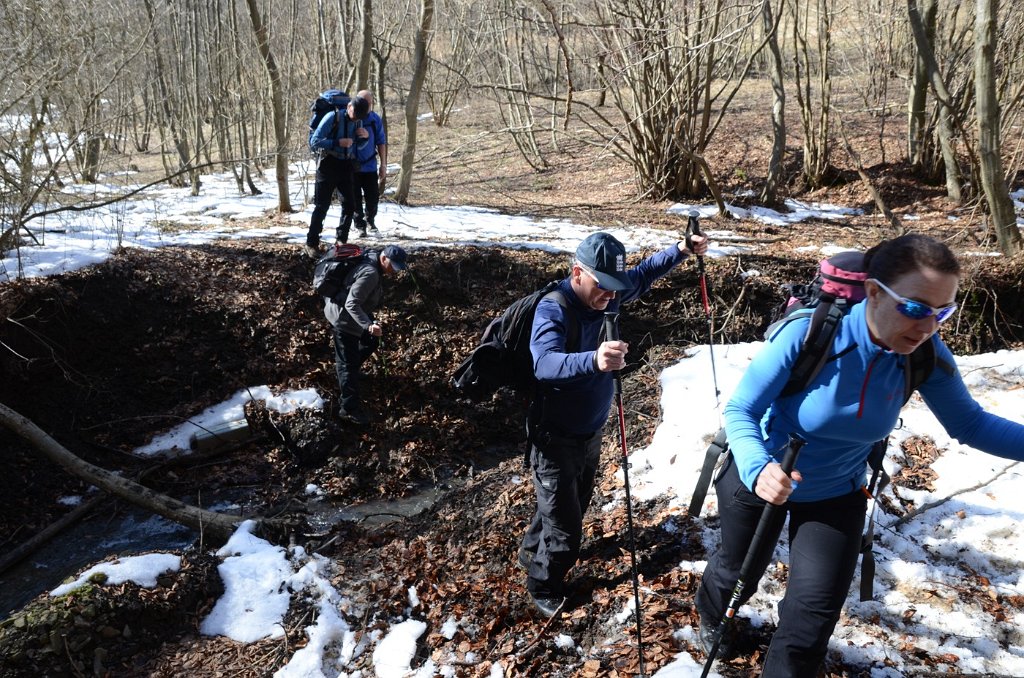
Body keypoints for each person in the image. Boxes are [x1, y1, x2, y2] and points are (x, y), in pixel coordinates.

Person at [696, 233, 1024, 677]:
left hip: (837, 491)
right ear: (873, 292)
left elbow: (971, 424)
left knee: (812, 616)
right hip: (763, 473)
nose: (928, 326)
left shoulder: (923, 354)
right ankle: (713, 618)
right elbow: (742, 410)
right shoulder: (810, 334)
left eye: (942, 312)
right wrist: (759, 468)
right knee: (737, 572)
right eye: (915, 308)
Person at [520, 230, 709, 618]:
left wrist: (681, 249)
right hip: (553, 436)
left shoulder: (610, 294)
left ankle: (530, 551)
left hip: (589, 432)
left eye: (614, 286)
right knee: (566, 529)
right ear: (577, 273)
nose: (610, 294)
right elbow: (544, 363)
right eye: (602, 285)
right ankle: (542, 584)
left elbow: (646, 273)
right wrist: (594, 359)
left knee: (570, 503)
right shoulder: (553, 309)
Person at [323, 244, 408, 425]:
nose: (395, 271)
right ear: (383, 258)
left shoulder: (374, 264)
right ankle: (348, 409)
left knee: (371, 341)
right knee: (347, 365)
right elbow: (351, 304)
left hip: (350, 314)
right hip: (343, 319)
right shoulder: (371, 273)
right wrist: (369, 325)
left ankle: (350, 372)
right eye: (393, 266)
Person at [305, 96, 373, 258]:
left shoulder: (358, 121)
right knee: (322, 206)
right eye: (354, 114)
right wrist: (337, 142)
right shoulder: (332, 117)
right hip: (328, 164)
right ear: (349, 107)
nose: (356, 119)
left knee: (350, 205)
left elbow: (358, 144)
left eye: (359, 117)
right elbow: (314, 142)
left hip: (346, 165)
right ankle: (311, 243)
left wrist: (366, 137)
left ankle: (341, 240)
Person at [351, 89, 388, 238]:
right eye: (365, 103)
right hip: (351, 166)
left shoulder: (374, 120)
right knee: (354, 198)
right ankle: (359, 225)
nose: (367, 106)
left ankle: (370, 221)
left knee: (373, 197)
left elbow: (381, 142)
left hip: (370, 165)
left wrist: (383, 165)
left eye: (369, 103)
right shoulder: (350, 118)